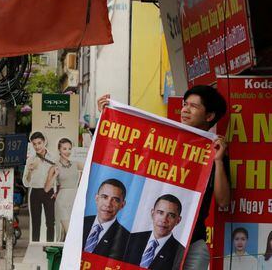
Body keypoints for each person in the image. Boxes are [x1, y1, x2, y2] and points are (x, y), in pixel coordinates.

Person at [98, 85, 231, 269]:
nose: (185, 109)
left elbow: (223, 201)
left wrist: (218, 161)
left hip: (192, 243)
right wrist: (110, 117)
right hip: (151, 241)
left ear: (209, 116)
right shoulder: (165, 140)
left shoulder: (215, 152)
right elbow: (127, 153)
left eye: (193, 106)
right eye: (185, 104)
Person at [123, 194, 184, 269]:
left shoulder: (181, 253)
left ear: (178, 220)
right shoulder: (130, 239)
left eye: (171, 215)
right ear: (152, 214)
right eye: (160, 212)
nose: (164, 220)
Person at [44, 138, 83, 241]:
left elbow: (91, 168)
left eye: (69, 148)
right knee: (71, 233)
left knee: (73, 233)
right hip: (62, 202)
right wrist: (55, 175)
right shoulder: (54, 166)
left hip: (75, 201)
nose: (67, 151)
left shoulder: (76, 164)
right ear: (59, 150)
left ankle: (65, 256)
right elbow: (47, 188)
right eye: (64, 149)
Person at [82, 178, 129, 260]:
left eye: (115, 200)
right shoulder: (80, 222)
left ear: (122, 204)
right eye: (104, 197)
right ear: (97, 198)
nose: (108, 204)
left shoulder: (126, 239)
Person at [22, 132, 55, 242]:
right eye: (34, 144)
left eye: (39, 143)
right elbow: (25, 183)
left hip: (49, 192)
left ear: (44, 142)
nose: (37, 146)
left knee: (50, 222)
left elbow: (58, 176)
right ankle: (35, 247)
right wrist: (31, 171)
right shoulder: (30, 160)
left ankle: (50, 246)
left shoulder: (53, 158)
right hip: (35, 192)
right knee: (36, 223)